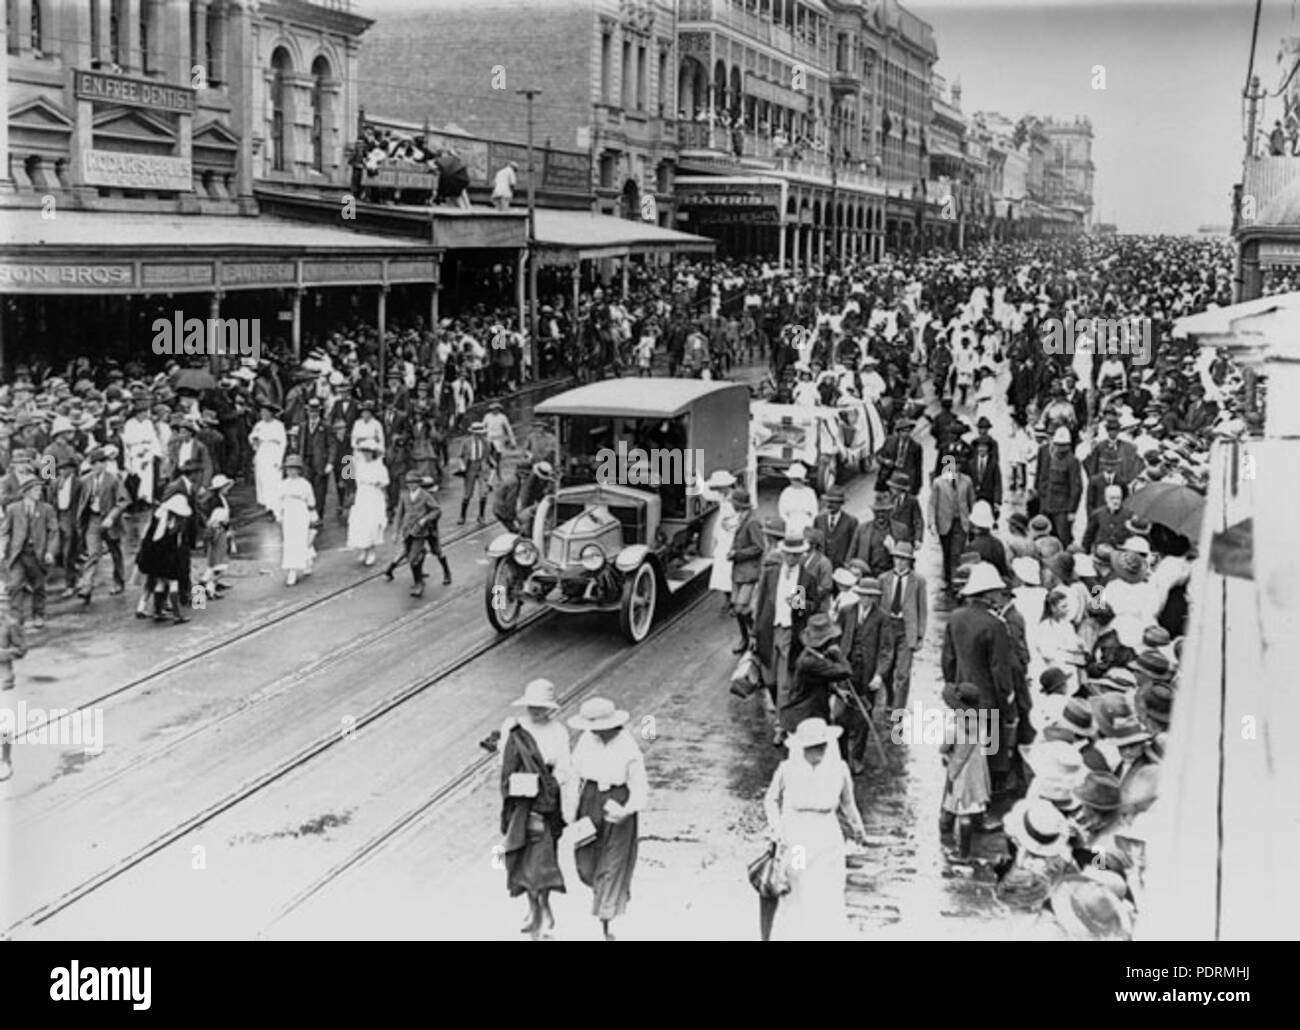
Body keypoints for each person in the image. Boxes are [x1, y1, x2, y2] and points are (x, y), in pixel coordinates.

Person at [762, 717, 868, 941]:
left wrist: (858, 828)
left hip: (827, 841)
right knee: (797, 887)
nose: (818, 751)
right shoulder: (787, 769)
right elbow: (770, 800)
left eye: (822, 745)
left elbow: (848, 802)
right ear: (801, 747)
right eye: (812, 747)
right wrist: (776, 829)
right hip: (798, 839)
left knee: (826, 892)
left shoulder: (839, 769)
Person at [499, 677, 575, 940]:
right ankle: (533, 908)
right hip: (520, 805)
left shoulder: (558, 732)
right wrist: (519, 784)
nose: (536, 711)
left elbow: (565, 768)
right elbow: (504, 764)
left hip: (546, 805)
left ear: (551, 708)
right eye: (532, 706)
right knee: (519, 859)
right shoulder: (514, 728)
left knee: (542, 862)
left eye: (541, 707)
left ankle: (543, 910)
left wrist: (550, 784)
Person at [568, 697, 647, 941]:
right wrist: (569, 811)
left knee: (613, 862)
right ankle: (608, 895)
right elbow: (573, 776)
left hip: (618, 801)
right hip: (589, 801)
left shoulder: (627, 746)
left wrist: (627, 810)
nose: (596, 733)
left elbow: (640, 785)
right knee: (586, 863)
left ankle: (607, 920)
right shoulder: (585, 741)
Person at [939, 681, 992, 860]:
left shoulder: (955, 726)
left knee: (962, 809)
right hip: (977, 770)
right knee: (973, 805)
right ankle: (968, 845)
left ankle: (963, 854)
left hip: (960, 771)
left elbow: (944, 748)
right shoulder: (981, 723)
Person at [0, 478, 59, 630]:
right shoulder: (13, 509)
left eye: (40, 490)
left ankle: (38, 615)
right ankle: (17, 617)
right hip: (18, 553)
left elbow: (54, 532)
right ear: (26, 492)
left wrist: (50, 552)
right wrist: (2, 548)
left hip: (37, 554)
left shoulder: (47, 509)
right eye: (35, 490)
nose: (39, 493)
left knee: (38, 586)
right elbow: (5, 531)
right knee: (15, 585)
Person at [781, 612, 853, 733]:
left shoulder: (813, 655)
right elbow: (846, 671)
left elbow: (817, 680)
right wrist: (837, 653)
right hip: (806, 716)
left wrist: (836, 691)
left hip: (808, 712)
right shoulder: (811, 662)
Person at [74, 447, 130, 604]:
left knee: (115, 552)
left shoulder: (113, 480)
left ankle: (119, 582)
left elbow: (123, 501)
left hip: (110, 520)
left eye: (100, 463)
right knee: (93, 553)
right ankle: (87, 586)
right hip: (93, 519)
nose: (96, 466)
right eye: (94, 463)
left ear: (105, 464)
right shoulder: (85, 481)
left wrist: (112, 517)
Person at [877, 541, 926, 712]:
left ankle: (898, 710)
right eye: (897, 558)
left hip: (906, 628)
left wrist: (920, 635)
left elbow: (922, 608)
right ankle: (891, 700)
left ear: (910, 561)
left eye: (903, 559)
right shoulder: (884, 579)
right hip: (888, 626)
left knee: (903, 673)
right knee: (887, 669)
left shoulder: (918, 581)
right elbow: (879, 606)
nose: (899, 562)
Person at [385, 470, 451, 596]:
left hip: (424, 531)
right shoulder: (404, 495)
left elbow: (437, 511)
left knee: (434, 551)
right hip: (408, 531)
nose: (410, 485)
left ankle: (443, 574)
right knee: (410, 554)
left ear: (419, 483)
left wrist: (425, 519)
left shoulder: (426, 496)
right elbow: (399, 514)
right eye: (408, 482)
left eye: (413, 482)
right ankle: (417, 580)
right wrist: (396, 532)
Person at [134, 493, 191, 624]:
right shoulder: (176, 522)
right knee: (173, 583)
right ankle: (177, 615)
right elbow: (177, 543)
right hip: (169, 556)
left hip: (154, 556)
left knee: (159, 582)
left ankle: (157, 611)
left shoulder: (158, 516)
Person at [346, 441, 389, 566]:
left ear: (373, 453)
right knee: (361, 523)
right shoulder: (359, 465)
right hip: (362, 496)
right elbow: (354, 480)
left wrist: (383, 494)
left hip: (374, 497)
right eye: (364, 452)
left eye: (368, 452)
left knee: (372, 524)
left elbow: (384, 483)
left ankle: (371, 551)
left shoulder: (379, 466)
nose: (366, 454)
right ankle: (363, 550)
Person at [278, 455, 318, 587]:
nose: (291, 471)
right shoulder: (283, 484)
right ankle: (291, 570)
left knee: (301, 539)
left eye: (294, 468)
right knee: (290, 542)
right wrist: (279, 514)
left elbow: (311, 501)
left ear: (299, 470)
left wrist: (313, 515)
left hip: (300, 513)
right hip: (288, 514)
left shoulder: (305, 484)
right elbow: (278, 501)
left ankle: (303, 563)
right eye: (289, 468)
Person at [250, 402, 287, 520]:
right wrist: (254, 440)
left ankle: (276, 509)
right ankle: (268, 507)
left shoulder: (279, 425)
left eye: (266, 412)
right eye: (262, 413)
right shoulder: (259, 425)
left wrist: (279, 459)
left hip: (273, 453)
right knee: (263, 481)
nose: (263, 415)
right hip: (262, 453)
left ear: (271, 414)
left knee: (274, 481)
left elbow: (283, 443)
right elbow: (252, 437)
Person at [813, 486, 857, 569]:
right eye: (828, 501)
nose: (829, 505)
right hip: (822, 567)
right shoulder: (819, 520)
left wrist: (848, 564)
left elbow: (853, 547)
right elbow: (814, 545)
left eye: (834, 502)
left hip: (842, 568)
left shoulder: (851, 521)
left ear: (841, 503)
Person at [457, 421, 492, 526]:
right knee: (468, 493)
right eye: (477, 434)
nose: (479, 436)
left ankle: (481, 516)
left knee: (483, 492)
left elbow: (487, 455)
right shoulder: (466, 442)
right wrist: (462, 466)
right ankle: (462, 515)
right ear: (472, 433)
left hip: (481, 467)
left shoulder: (486, 442)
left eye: (481, 434)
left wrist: (489, 465)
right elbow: (460, 456)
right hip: (470, 467)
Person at [777, 463, 818, 538]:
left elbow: (814, 512)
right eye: (793, 480)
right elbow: (781, 511)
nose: (794, 482)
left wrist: (809, 523)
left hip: (806, 522)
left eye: (796, 480)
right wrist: (788, 521)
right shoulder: (787, 492)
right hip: (791, 521)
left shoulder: (809, 492)